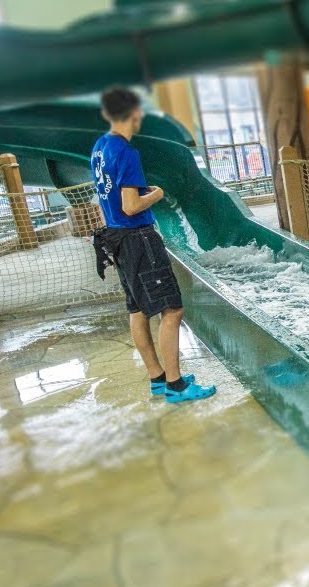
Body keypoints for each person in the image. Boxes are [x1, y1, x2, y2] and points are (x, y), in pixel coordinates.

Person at [91, 87, 216, 403]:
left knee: (137, 309)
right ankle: (176, 386)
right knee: (171, 309)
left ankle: (158, 379)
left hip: (116, 237)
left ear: (106, 114)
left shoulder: (99, 147)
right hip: (138, 237)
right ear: (136, 113)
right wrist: (157, 194)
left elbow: (110, 201)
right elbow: (131, 206)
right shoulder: (126, 152)